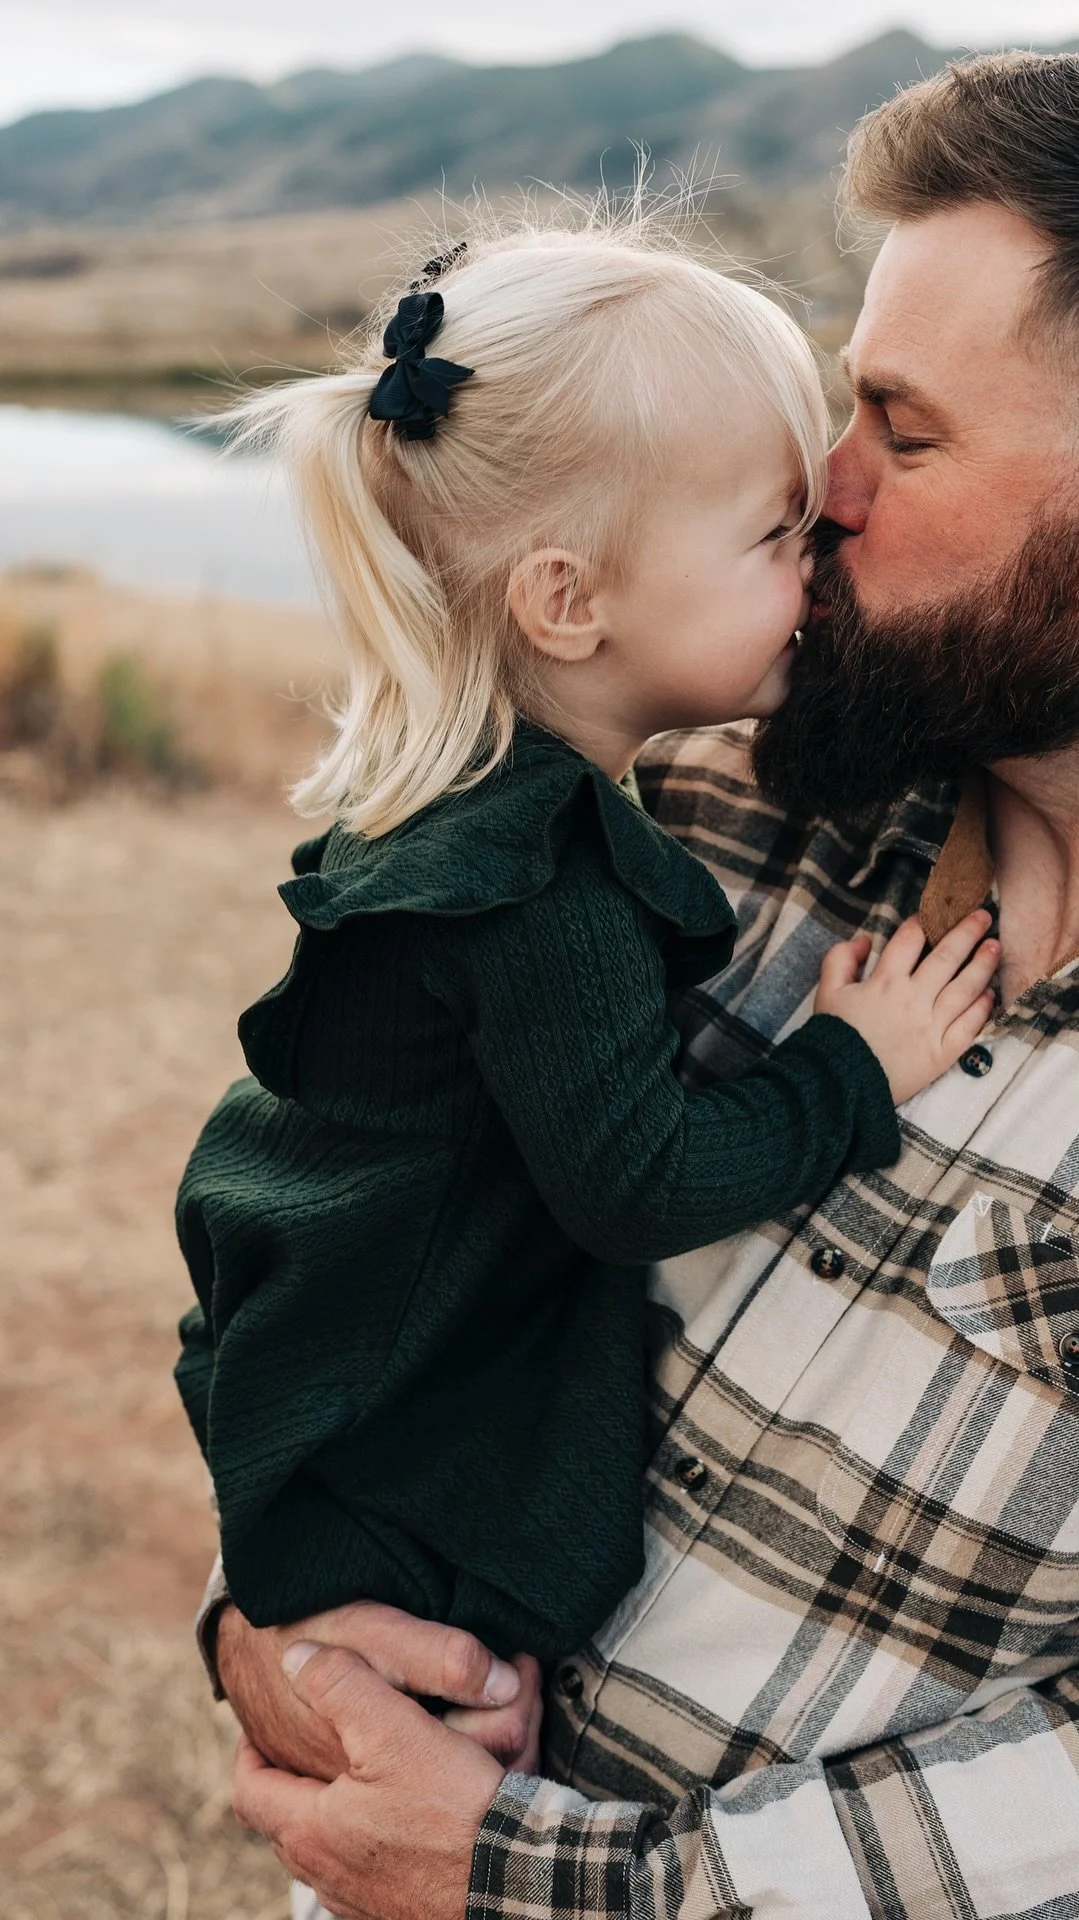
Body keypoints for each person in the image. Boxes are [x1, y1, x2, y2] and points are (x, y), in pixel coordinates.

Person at [210, 51, 1079, 1920]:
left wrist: (543, 1886)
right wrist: (276, 1609)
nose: (827, 486)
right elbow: (362, 1228)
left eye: (903, 429)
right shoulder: (675, 807)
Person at [173, 229, 999, 1667]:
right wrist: (851, 1070)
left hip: (350, 1395)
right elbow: (639, 1182)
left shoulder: (468, 800)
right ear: (569, 600)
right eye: (771, 535)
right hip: (408, 1482)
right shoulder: (532, 889)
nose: (818, 566)